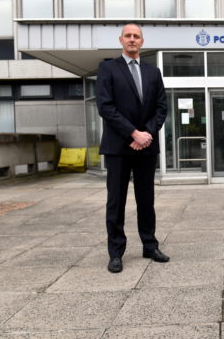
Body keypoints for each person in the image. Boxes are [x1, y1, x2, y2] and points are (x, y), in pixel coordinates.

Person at [96, 23, 169, 273]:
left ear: (142, 41)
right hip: (119, 147)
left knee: (146, 200)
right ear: (120, 40)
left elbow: (161, 108)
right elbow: (106, 107)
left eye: (136, 36)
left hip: (146, 147)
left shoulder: (153, 72)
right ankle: (116, 252)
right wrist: (133, 133)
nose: (132, 39)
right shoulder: (107, 69)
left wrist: (147, 133)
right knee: (116, 201)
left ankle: (150, 245)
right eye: (128, 36)